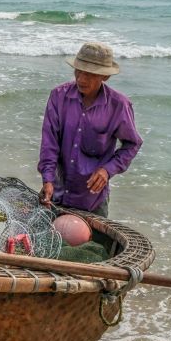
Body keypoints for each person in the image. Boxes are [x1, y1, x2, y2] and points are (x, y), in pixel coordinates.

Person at [37, 42, 142, 218]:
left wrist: (107, 170)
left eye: (89, 74)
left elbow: (132, 144)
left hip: (92, 199)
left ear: (105, 77)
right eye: (78, 71)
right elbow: (50, 143)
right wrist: (47, 179)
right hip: (56, 193)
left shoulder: (118, 105)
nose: (81, 79)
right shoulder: (58, 96)